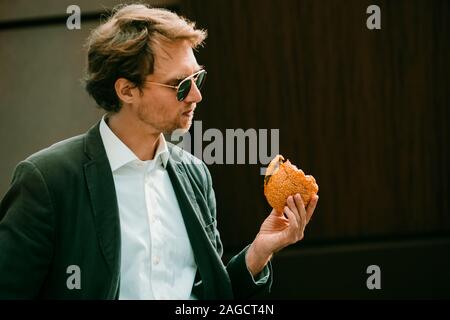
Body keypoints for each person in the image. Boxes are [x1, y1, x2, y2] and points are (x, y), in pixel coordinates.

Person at [0, 4, 319, 299]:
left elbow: (212, 295)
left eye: (198, 78)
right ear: (127, 90)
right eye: (180, 84)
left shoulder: (195, 174)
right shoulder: (48, 180)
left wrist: (259, 252)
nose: (196, 95)